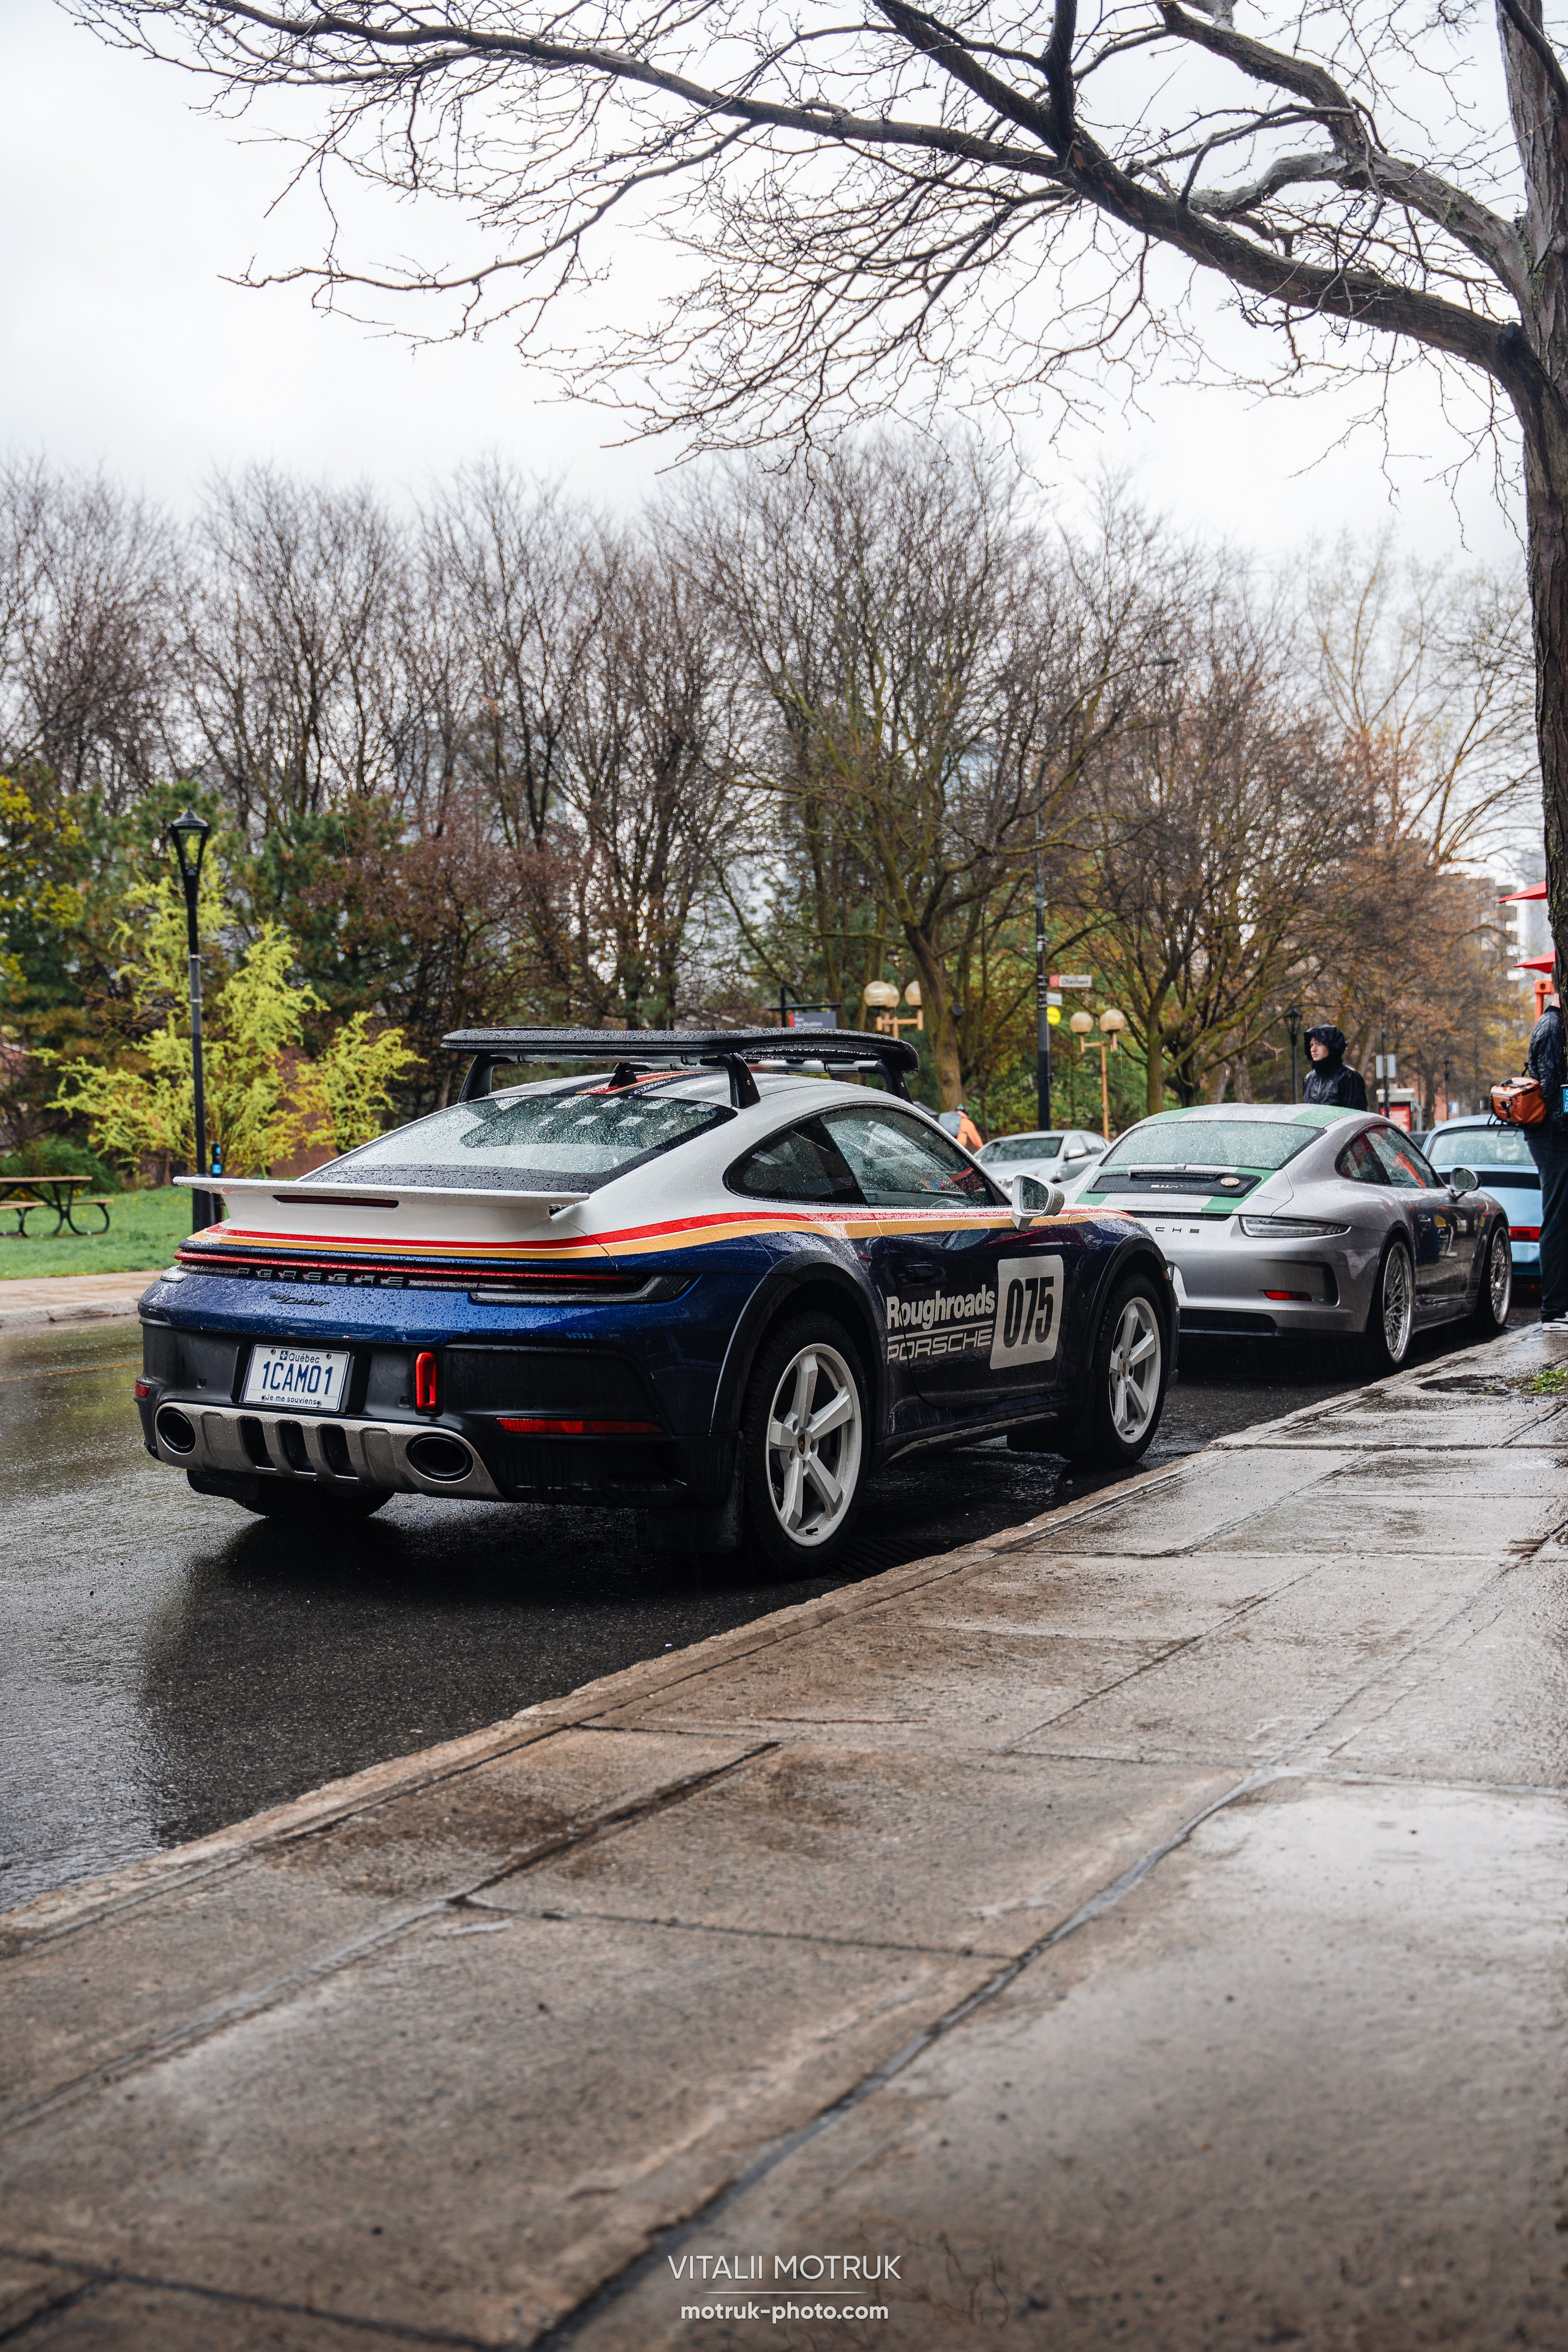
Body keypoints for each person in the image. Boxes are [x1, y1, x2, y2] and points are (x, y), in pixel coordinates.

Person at [1525, 973, 1568, 1323]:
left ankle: (1557, 1306)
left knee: (1559, 1216)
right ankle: (1554, 1308)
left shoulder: (1552, 1024)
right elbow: (1555, 1089)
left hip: (1551, 1134)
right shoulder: (1554, 1027)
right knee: (1556, 1218)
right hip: (1553, 1136)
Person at [1302, 1023, 1369, 1110]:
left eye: (1319, 1044)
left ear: (1331, 1047)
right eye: (1311, 1045)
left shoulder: (1349, 1077)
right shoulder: (1309, 1079)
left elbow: (1357, 1116)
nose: (1313, 1049)